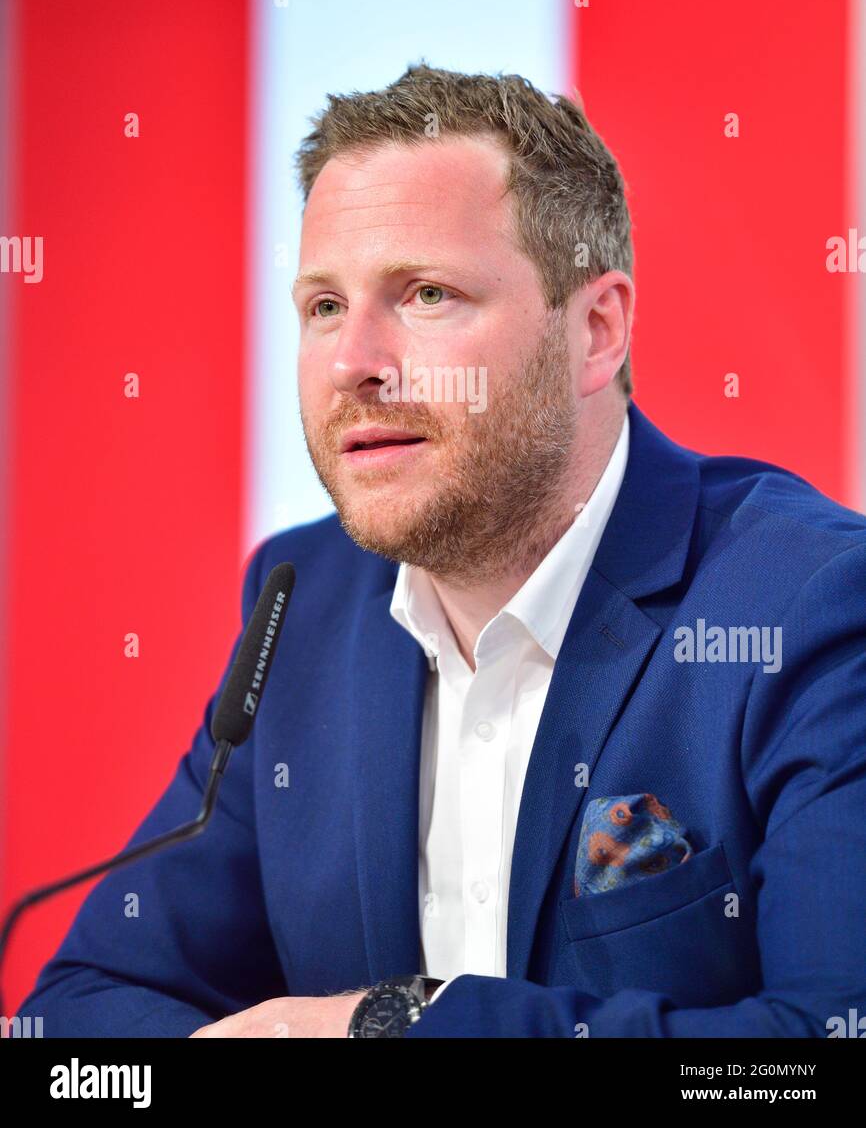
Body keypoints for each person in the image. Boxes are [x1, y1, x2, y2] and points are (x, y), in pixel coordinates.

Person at [17, 64, 866, 1037]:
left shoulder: (807, 605)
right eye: (323, 306)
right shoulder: (305, 605)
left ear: (595, 330)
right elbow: (86, 1009)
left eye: (423, 293)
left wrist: (390, 1028)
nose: (352, 364)